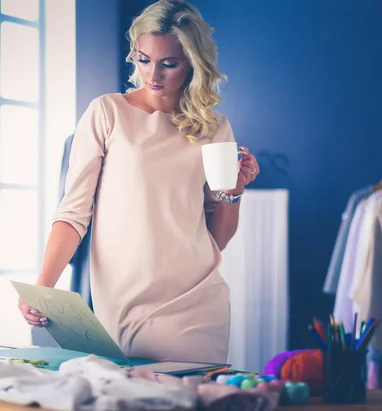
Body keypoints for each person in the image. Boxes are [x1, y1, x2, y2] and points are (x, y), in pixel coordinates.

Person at [18, 0, 260, 363]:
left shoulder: (214, 128)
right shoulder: (107, 112)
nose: (153, 75)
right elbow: (72, 214)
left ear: (193, 62)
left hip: (195, 302)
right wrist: (42, 288)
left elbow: (217, 239)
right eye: (144, 59)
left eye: (169, 63)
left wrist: (234, 191)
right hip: (121, 300)